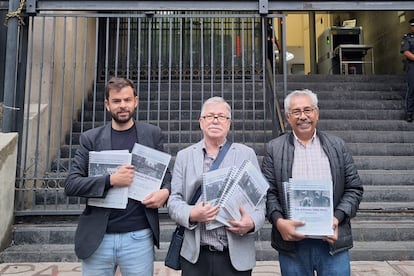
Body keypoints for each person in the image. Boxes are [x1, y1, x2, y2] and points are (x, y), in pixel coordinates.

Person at [64, 77, 171, 276]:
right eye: (116, 101)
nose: (123, 106)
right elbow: (71, 184)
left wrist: (165, 192)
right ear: (107, 104)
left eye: (127, 100)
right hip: (99, 238)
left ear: (136, 101)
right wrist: (110, 181)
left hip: (138, 237)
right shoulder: (91, 139)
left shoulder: (152, 134)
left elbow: (166, 177)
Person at [261, 89, 364, 275]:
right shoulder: (274, 149)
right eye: (296, 112)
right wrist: (279, 222)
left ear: (317, 113)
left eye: (307, 110)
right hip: (292, 244)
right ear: (287, 117)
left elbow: (354, 188)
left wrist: (336, 218)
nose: (303, 116)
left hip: (332, 242)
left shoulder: (337, 146)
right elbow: (268, 192)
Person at [167, 96, 266, 276]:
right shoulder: (185, 156)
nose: (215, 120)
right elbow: (174, 201)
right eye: (209, 116)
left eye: (221, 116)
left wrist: (251, 223)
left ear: (228, 123)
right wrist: (192, 214)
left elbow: (259, 200)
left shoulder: (246, 154)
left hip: (235, 255)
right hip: (196, 255)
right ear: (201, 122)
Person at [400, 18, 414, 122]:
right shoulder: (408, 38)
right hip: (412, 66)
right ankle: (409, 113)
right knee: (412, 89)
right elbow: (405, 51)